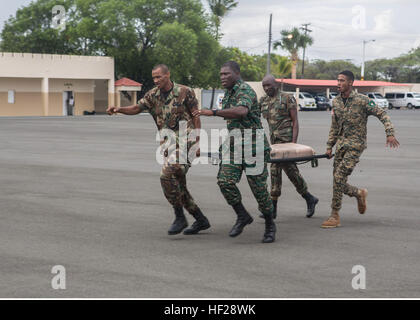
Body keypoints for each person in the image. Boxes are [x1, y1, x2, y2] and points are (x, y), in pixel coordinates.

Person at [107, 64, 210, 235]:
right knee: (177, 185)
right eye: (153, 78)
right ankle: (200, 219)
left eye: (158, 77)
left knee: (166, 174)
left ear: (168, 75)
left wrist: (198, 143)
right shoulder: (152, 95)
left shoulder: (185, 91)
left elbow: (195, 116)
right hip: (168, 145)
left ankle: (179, 217)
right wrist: (119, 109)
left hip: (187, 142)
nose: (155, 81)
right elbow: (136, 108)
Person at [193, 61, 276, 243]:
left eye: (226, 74)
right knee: (225, 182)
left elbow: (241, 111)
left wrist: (214, 112)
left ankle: (270, 224)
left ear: (237, 74)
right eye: (221, 74)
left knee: (259, 190)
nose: (222, 77)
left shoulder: (244, 90)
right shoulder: (228, 92)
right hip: (234, 145)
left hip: (254, 147)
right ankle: (242, 215)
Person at [322, 70, 400, 228]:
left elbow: (382, 114)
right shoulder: (336, 101)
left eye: (342, 81)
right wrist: (329, 146)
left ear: (350, 83)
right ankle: (359, 193)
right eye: (337, 80)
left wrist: (390, 133)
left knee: (338, 178)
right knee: (338, 181)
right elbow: (334, 126)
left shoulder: (363, 100)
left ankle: (334, 215)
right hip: (341, 145)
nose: (338, 83)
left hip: (356, 145)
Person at [259, 75, 319, 219]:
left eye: (269, 85)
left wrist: (294, 144)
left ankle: (306, 199)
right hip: (274, 143)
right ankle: (306, 199)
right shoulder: (263, 101)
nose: (267, 88)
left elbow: (295, 121)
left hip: (287, 142)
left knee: (284, 171)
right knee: (282, 172)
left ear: (276, 84)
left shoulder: (287, 98)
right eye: (264, 86)